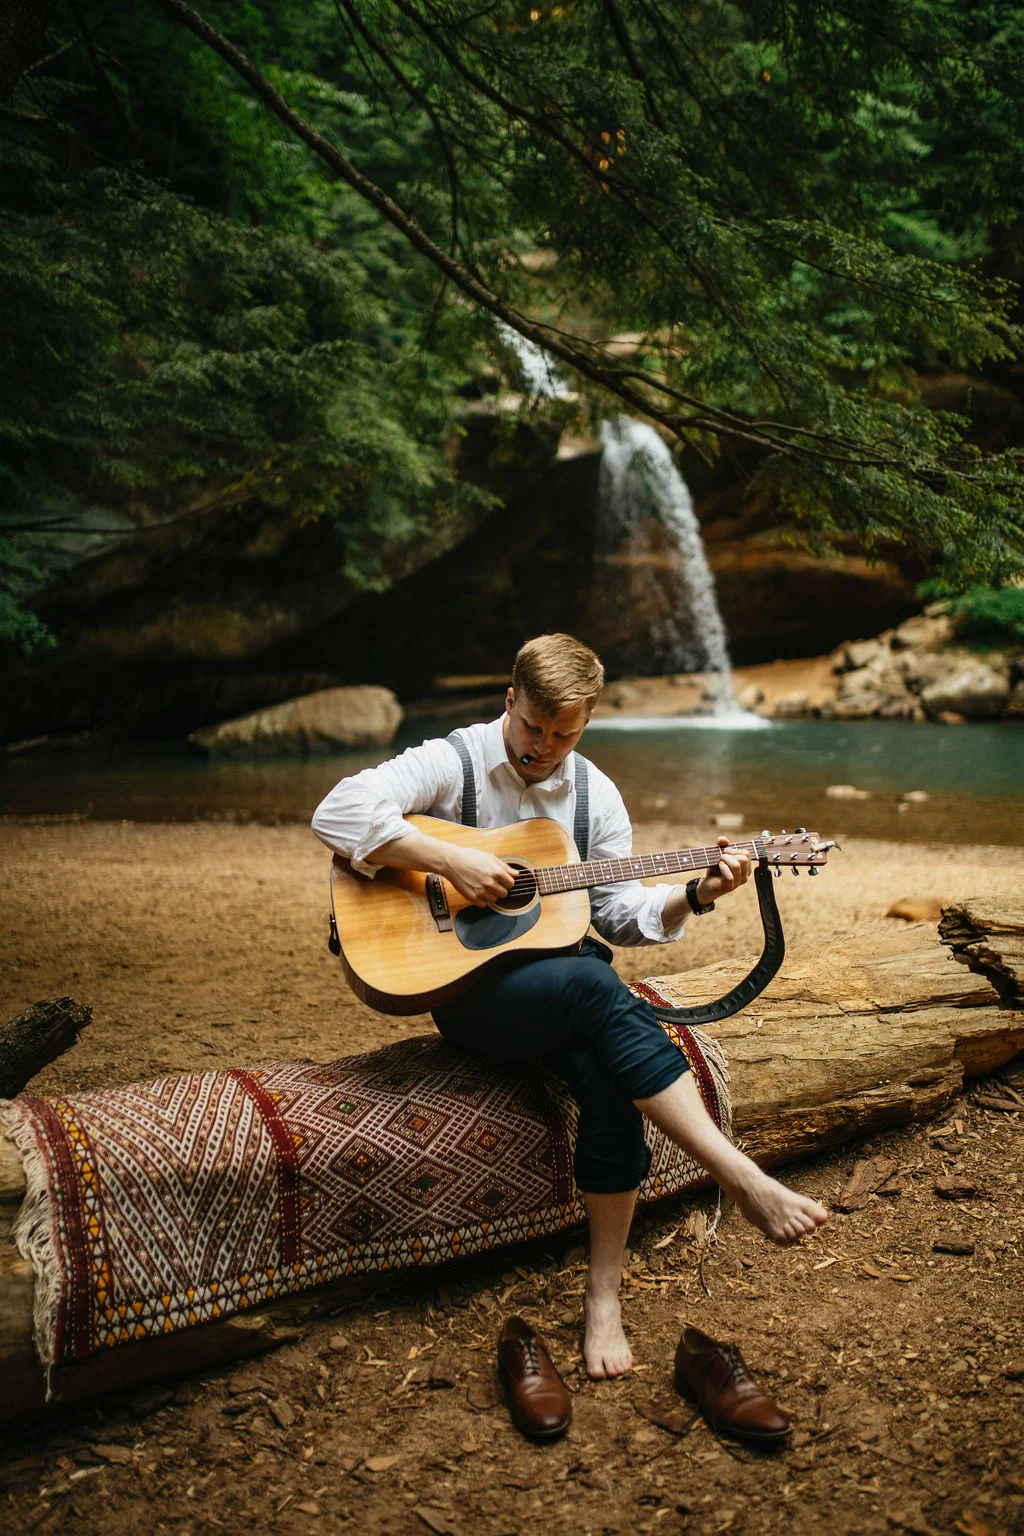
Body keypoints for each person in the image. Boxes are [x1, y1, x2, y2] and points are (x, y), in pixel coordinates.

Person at [311, 633, 828, 1385]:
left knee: (605, 1075)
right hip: (470, 994)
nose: (544, 748)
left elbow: (617, 914)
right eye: (533, 728)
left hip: (560, 987)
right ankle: (738, 1175)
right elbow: (339, 809)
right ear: (509, 701)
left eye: (566, 733)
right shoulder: (450, 760)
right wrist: (451, 860)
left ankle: (603, 1298)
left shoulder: (594, 794)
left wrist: (698, 893)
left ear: (585, 721)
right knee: (595, 987)